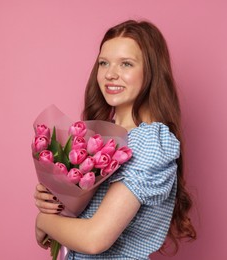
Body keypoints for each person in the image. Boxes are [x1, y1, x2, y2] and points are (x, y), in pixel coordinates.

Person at [34, 20, 197, 259]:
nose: (110, 74)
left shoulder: (151, 142)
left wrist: (43, 221)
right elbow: (59, 235)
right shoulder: (99, 138)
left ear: (150, 72)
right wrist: (54, 202)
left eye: (126, 64)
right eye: (104, 63)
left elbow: (94, 239)